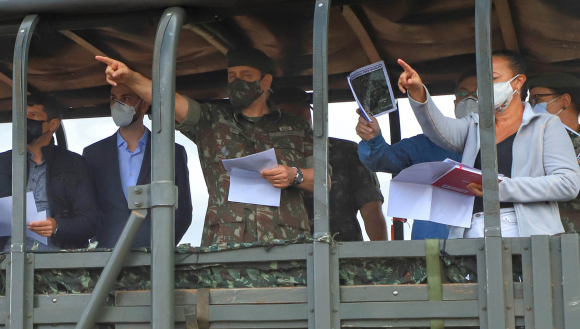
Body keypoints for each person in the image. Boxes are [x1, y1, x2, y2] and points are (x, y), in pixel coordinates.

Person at [97, 47, 320, 246]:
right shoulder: (211, 119)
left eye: (246, 75)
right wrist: (131, 77)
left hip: (288, 245)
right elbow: (167, 101)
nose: (237, 82)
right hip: (226, 243)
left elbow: (323, 180)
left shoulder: (296, 126)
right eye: (232, 76)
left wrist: (294, 175)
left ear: (265, 82)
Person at [398, 50, 580, 238]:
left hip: (528, 235)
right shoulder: (473, 125)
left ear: (518, 81)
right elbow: (438, 129)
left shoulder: (546, 125)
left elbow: (568, 183)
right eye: (482, 80)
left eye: (493, 78)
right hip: (471, 232)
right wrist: (417, 91)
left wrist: (500, 188)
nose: (485, 86)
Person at [356, 70, 476, 239]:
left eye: (478, 93)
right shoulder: (427, 143)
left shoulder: (509, 142)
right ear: (455, 101)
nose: (470, 98)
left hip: (490, 248)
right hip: (431, 252)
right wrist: (373, 139)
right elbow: (382, 159)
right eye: (463, 93)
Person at [0, 93, 99, 252]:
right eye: (21, 116)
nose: (25, 122)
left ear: (53, 124)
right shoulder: (0, 163)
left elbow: (90, 223)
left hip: (60, 266)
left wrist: (57, 226)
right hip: (6, 264)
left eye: (33, 115)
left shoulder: (75, 164)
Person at [83, 81, 193, 248]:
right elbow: (88, 208)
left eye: (126, 98)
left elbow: (183, 211)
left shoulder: (171, 152)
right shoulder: (93, 154)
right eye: (114, 99)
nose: (117, 105)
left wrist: (163, 246)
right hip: (106, 253)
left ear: (144, 104)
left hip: (155, 256)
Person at [273, 87, 386, 241]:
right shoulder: (267, 157)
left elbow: (371, 209)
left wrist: (381, 255)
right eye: (284, 115)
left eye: (300, 114)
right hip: (281, 253)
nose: (294, 122)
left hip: (341, 254)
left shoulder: (347, 151)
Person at [528, 72, 580, 233]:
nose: (531, 107)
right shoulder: (530, 143)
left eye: (537, 99)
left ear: (564, 101)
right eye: (529, 102)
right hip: (543, 238)